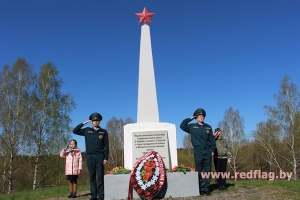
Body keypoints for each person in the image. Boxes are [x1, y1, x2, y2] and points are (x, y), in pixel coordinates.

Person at [73, 112, 109, 200]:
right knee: (92, 176)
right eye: (94, 120)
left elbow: (107, 146)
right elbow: (75, 131)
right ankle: (93, 195)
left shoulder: (103, 132)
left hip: (100, 156)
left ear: (99, 121)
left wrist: (106, 158)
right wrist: (83, 123)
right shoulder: (87, 131)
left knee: (100, 176)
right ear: (91, 122)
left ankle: (100, 195)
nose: (95, 122)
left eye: (97, 120)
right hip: (90, 157)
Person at [180, 108, 216, 196]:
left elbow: (212, 140)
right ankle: (200, 188)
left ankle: (207, 188)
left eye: (202, 116)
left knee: (207, 170)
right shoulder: (192, 127)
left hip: (207, 151)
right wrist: (191, 118)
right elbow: (182, 125)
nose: (201, 117)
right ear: (196, 117)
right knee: (199, 171)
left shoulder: (208, 127)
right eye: (199, 116)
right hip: (198, 152)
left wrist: (213, 150)